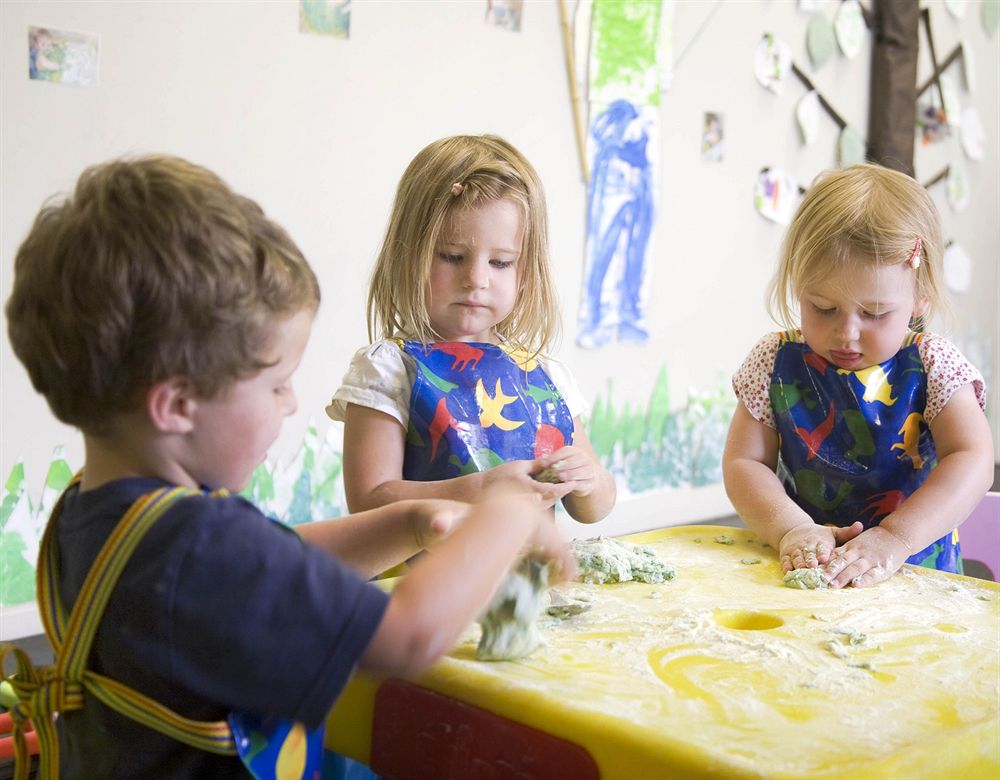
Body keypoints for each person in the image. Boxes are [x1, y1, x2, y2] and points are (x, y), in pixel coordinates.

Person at [1, 155, 574, 779]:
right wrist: (504, 516)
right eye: (275, 384)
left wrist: (411, 522)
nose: (292, 402)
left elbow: (269, 559)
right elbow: (408, 636)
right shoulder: (196, 549)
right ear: (177, 405)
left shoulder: (97, 512)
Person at [722, 163, 992, 589]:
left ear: (920, 297)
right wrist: (792, 528)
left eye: (875, 313)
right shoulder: (774, 361)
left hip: (916, 575)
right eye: (823, 308)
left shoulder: (934, 364)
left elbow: (972, 458)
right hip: (806, 568)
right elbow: (745, 462)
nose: (846, 333)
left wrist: (896, 537)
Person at [327, 134, 616, 525]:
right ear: (408, 254)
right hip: (430, 567)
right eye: (452, 256)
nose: (476, 279)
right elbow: (369, 503)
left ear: (526, 271)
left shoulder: (545, 375)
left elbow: (593, 509)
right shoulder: (389, 371)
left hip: (531, 568)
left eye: (500, 262)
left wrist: (588, 480)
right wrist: (481, 489)